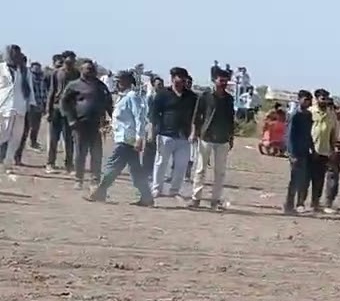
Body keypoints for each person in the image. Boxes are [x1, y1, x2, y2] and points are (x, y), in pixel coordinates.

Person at [85, 72, 152, 206]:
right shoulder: (122, 97)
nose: (116, 83)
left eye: (120, 81)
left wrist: (139, 138)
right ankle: (146, 196)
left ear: (128, 82)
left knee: (113, 165)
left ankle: (101, 191)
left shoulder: (133, 96)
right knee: (135, 169)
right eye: (116, 81)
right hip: (122, 137)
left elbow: (139, 118)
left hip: (128, 139)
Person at [59, 59, 112, 190]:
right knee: (80, 153)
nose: (91, 71)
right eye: (88, 69)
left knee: (96, 153)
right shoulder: (73, 85)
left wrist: (111, 119)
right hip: (79, 124)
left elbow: (108, 102)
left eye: (92, 69)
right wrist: (71, 119)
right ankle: (79, 179)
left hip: (97, 125)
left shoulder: (100, 86)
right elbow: (64, 103)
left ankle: (95, 180)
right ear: (81, 70)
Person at [189, 68, 237, 210]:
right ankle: (196, 198)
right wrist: (194, 132)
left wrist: (231, 137)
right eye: (221, 80)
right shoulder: (205, 96)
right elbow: (197, 116)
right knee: (200, 169)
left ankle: (215, 200)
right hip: (206, 137)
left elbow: (230, 119)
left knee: (220, 172)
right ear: (214, 80)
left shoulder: (229, 99)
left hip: (222, 139)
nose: (223, 83)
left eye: (225, 81)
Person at [149, 67, 198, 199]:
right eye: (179, 77)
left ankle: (174, 190)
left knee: (181, 166)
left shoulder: (191, 97)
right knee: (161, 163)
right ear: (172, 78)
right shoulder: (163, 94)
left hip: (184, 136)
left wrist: (193, 132)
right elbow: (154, 114)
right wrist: (153, 132)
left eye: (184, 78)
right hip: (165, 134)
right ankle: (156, 189)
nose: (182, 80)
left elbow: (196, 116)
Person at [0, 45, 32, 174]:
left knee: (16, 138)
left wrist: (31, 104)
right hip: (3, 107)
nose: (14, 56)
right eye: (12, 54)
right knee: (3, 135)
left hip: (20, 107)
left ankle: (8, 163)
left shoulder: (25, 71)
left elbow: (30, 90)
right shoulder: (1, 68)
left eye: (17, 54)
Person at [284, 90, 315, 215]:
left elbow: (309, 134)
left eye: (309, 100)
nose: (308, 102)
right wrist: (291, 154)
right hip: (296, 152)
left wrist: (312, 147)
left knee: (303, 179)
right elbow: (289, 136)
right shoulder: (295, 115)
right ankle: (289, 205)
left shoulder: (308, 115)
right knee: (294, 180)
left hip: (305, 151)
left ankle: (300, 203)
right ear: (299, 99)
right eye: (305, 99)